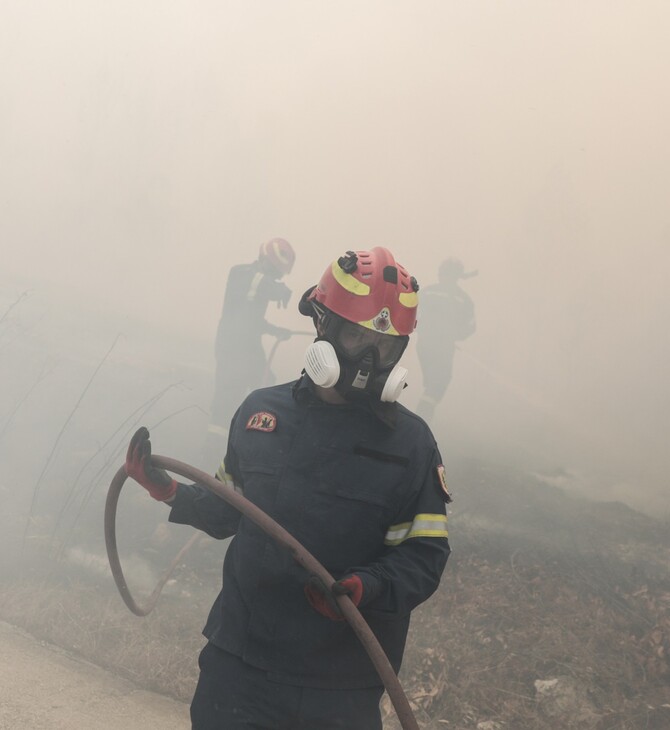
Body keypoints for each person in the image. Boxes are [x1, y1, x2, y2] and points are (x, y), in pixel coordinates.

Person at [125, 246, 452, 730]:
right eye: (358, 336)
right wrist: (169, 491)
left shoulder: (413, 445)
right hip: (238, 666)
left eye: (384, 347)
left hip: (338, 688)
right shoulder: (262, 415)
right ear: (323, 324)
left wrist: (369, 587)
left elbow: (424, 556)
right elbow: (227, 511)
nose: (369, 358)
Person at [206, 237, 296, 460]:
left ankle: (254, 441)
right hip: (232, 348)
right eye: (275, 272)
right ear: (264, 260)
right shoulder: (241, 273)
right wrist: (278, 288)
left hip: (249, 348)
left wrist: (276, 330)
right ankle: (211, 451)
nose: (276, 278)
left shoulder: (257, 284)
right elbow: (258, 282)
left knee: (265, 385)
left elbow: (251, 319)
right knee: (227, 396)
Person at [416, 257, 477, 423]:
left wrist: (421, 328)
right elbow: (470, 327)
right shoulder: (464, 299)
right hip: (444, 348)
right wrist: (454, 335)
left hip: (423, 344)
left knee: (431, 380)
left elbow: (412, 311)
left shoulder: (427, 291)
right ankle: (422, 416)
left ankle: (422, 412)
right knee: (441, 380)